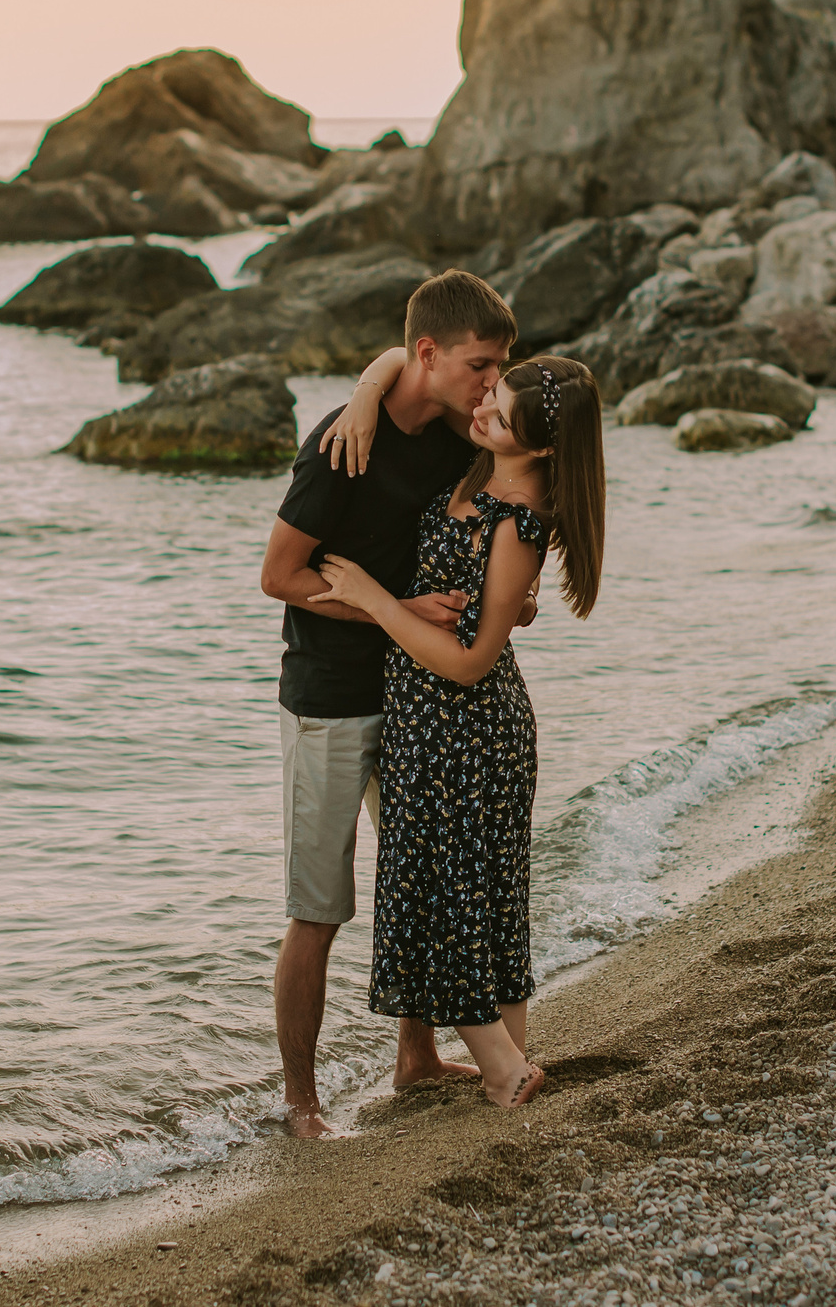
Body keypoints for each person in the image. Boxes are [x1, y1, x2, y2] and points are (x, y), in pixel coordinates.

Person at [256, 269, 516, 1138]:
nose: (491, 382)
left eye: (499, 366)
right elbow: (279, 576)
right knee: (319, 908)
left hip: (420, 691)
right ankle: (300, 1101)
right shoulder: (341, 444)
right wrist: (394, 607)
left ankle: (415, 1056)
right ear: (431, 354)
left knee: (422, 878)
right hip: (330, 698)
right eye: (481, 364)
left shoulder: (452, 431)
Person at [308, 354, 606, 1109]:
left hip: (466, 726)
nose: (481, 412)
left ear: (539, 446)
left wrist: (377, 599)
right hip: (429, 720)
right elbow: (407, 349)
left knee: (450, 896)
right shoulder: (488, 470)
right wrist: (368, 395)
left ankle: (506, 1071)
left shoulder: (521, 520)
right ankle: (499, 1058)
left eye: (498, 415)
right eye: (491, 396)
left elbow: (472, 662)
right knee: (479, 890)